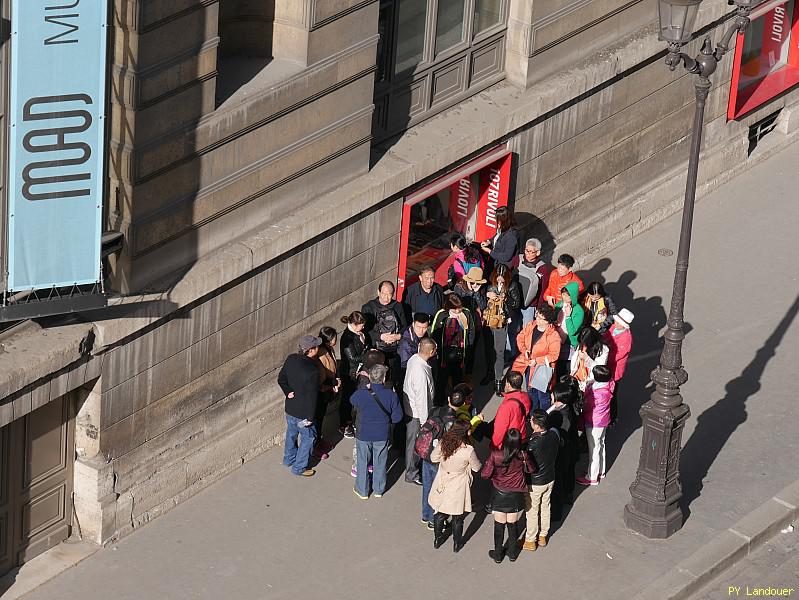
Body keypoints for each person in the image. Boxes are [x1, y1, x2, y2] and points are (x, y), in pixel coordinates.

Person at [350, 364, 404, 499]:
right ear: (383, 378)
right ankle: (379, 489)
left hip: (364, 433)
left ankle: (362, 490)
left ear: (370, 377)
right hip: (381, 434)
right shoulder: (391, 395)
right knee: (380, 461)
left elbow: (352, 400)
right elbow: (397, 418)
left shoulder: (362, 394)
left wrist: (366, 389)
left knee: (362, 461)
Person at [419, 393, 470, 529]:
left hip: (427, 453)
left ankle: (426, 514)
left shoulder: (436, 410)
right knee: (439, 490)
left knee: (427, 487)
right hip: (438, 459)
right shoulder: (454, 421)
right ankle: (434, 520)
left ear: (448, 399)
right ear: (463, 404)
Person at [428, 422, 481, 552]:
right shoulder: (468, 450)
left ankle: (438, 539)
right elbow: (477, 467)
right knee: (458, 517)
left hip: (443, 481)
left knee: (440, 513)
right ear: (464, 433)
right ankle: (457, 544)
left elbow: (433, 458)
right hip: (459, 484)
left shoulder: (444, 443)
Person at [481, 428, 531, 563]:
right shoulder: (522, 454)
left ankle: (498, 554)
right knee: (512, 524)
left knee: (499, 524)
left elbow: (485, 474)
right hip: (516, 493)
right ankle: (512, 553)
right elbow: (532, 469)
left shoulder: (496, 455)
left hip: (499, 493)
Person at [277, 335, 323, 477]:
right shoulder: (312, 370)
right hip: (303, 413)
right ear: (311, 350)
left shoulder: (291, 359)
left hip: (290, 408)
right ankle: (299, 467)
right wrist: (310, 417)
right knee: (308, 438)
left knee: (291, 434)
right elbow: (312, 397)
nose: (318, 349)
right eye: (316, 347)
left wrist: (288, 391)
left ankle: (288, 459)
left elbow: (281, 378)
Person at [511, 304, 561, 411]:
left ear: (547, 321)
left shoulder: (553, 335)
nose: (536, 319)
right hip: (529, 364)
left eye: (540, 318)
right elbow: (520, 337)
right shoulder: (531, 325)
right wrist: (524, 350)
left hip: (542, 369)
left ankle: (543, 417)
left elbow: (554, 354)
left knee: (542, 395)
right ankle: (533, 414)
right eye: (537, 315)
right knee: (531, 392)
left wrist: (537, 360)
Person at [483, 263, 523, 395]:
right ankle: (490, 373)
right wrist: (486, 295)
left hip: (501, 321)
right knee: (489, 350)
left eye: (502, 278)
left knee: (499, 351)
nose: (500, 280)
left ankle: (498, 381)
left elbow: (517, 304)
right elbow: (482, 303)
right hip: (488, 320)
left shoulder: (512, 286)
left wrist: (505, 298)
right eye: (497, 277)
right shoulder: (489, 286)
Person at [361, 281, 408, 392]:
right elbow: (365, 330)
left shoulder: (397, 306)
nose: (387, 297)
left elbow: (404, 325)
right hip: (376, 352)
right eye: (384, 293)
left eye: (390, 294)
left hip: (393, 352)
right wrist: (381, 337)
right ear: (378, 292)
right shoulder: (368, 307)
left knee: (391, 381)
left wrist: (398, 336)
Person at [524, 409, 559, 551]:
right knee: (546, 506)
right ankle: (543, 535)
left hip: (536, 482)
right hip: (550, 477)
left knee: (532, 510)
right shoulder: (553, 434)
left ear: (536, 424)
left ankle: (531, 540)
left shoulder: (532, 444)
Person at [403, 338, 437, 485]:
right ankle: (411, 473)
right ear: (430, 352)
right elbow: (422, 400)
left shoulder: (414, 359)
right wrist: (425, 423)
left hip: (411, 408)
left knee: (412, 442)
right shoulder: (421, 373)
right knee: (414, 444)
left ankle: (412, 470)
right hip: (417, 414)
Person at [431, 294, 475, 405]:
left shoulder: (466, 314)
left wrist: (468, 350)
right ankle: (439, 404)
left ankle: (458, 404)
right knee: (441, 382)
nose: (458, 311)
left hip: (459, 354)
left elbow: (471, 333)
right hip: (444, 356)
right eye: (455, 309)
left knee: (458, 382)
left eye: (459, 308)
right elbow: (434, 333)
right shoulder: (441, 315)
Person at [546, 380, 579, 520]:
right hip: (570, 450)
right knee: (568, 474)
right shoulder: (567, 409)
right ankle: (568, 494)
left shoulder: (562, 416)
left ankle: (557, 512)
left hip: (563, 454)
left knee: (559, 482)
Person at [577, 365, 615, 486]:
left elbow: (587, 406)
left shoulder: (596, 394)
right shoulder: (609, 385)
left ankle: (592, 477)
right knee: (601, 445)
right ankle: (600, 471)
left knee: (594, 449)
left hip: (594, 422)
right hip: (604, 420)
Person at [453, 267, 489, 378]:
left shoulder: (480, 288)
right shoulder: (459, 287)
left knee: (472, 345)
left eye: (477, 283)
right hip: (462, 320)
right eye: (473, 282)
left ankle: (468, 371)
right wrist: (470, 292)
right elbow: (458, 304)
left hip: (474, 320)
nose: (475, 284)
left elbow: (483, 305)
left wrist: (477, 293)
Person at [339, 311, 370, 439]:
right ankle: (344, 424)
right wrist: (368, 355)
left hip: (358, 370)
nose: (363, 327)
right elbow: (353, 358)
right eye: (361, 325)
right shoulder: (347, 338)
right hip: (350, 373)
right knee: (347, 398)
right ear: (354, 324)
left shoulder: (359, 333)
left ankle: (351, 421)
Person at [313, 326, 340, 460]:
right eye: (334, 337)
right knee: (318, 418)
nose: (336, 339)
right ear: (329, 340)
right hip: (322, 390)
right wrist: (332, 383)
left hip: (328, 387)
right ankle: (315, 445)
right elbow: (323, 374)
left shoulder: (328, 349)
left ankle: (318, 440)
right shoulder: (322, 353)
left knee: (321, 416)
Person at [604, 308, 634, 426]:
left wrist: (603, 353)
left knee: (612, 394)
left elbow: (616, 356)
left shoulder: (626, 339)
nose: (615, 323)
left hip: (614, 370)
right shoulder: (614, 328)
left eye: (618, 323)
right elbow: (605, 337)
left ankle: (613, 417)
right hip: (608, 366)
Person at [491, 371, 531, 449]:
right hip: (520, 435)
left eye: (505, 383)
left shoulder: (506, 407)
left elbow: (500, 430)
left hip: (508, 442)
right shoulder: (526, 396)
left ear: (508, 385)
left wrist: (494, 445)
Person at [554, 281, 586, 379]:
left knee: (565, 369)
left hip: (569, 343)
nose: (564, 298)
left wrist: (568, 316)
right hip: (556, 339)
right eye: (563, 295)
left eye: (567, 296)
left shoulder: (579, 311)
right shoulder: (559, 305)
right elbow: (553, 318)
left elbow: (572, 331)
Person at [517, 238, 551, 327]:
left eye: (531, 252)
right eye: (526, 250)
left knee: (527, 329)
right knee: (512, 330)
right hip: (515, 301)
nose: (528, 254)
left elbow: (543, 290)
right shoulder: (518, 259)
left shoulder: (542, 268)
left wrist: (539, 307)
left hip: (530, 305)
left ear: (538, 253)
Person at [569, 327, 609, 392]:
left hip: (588, 382)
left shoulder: (603, 350)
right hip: (577, 377)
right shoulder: (582, 344)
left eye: (585, 343)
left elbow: (598, 369)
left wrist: (587, 359)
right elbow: (575, 360)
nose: (583, 345)